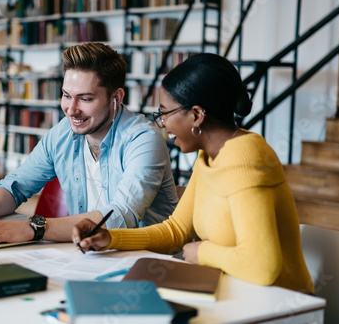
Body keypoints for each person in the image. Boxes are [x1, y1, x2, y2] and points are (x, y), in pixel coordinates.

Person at [73, 53, 314, 294]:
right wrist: (111, 238)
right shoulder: (208, 156)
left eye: (164, 112)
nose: (162, 122)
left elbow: (262, 266)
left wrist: (202, 251)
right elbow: (176, 231)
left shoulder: (246, 159)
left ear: (197, 115)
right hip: (236, 293)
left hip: (282, 304)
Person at [0, 43, 178, 245]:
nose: (71, 109)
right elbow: (15, 186)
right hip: (88, 253)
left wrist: (35, 228)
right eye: (66, 95)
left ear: (116, 97)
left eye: (85, 99)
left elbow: (120, 218)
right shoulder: (62, 133)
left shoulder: (143, 140)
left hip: (145, 260)